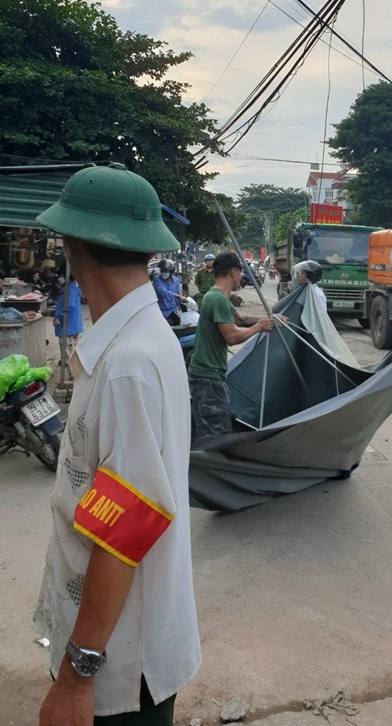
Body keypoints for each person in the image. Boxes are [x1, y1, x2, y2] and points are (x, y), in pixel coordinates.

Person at [34, 163, 200, 724]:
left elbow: (122, 528)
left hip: (122, 667)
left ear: (73, 246)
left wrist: (77, 678)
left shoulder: (129, 363)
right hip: (116, 645)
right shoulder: (135, 342)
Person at [188, 252, 274, 438]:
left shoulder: (218, 297)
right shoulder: (217, 299)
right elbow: (232, 337)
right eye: (240, 273)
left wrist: (269, 320)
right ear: (233, 272)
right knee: (214, 434)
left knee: (216, 426)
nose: (241, 278)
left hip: (210, 376)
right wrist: (259, 327)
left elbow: (241, 320)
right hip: (207, 379)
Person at [52, 273, 83, 379]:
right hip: (73, 326)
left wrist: (58, 317)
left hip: (67, 327)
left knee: (68, 355)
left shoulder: (68, 290)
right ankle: (75, 374)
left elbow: (70, 306)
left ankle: (75, 376)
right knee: (72, 352)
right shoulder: (74, 288)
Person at [151, 258, 184, 325]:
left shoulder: (176, 280)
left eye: (165, 271)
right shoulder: (157, 279)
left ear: (171, 272)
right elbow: (162, 292)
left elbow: (178, 295)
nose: (163, 273)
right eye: (161, 271)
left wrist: (181, 303)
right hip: (162, 313)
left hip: (174, 312)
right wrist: (177, 296)